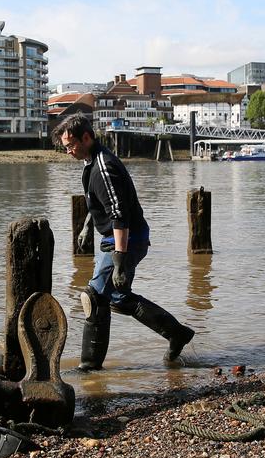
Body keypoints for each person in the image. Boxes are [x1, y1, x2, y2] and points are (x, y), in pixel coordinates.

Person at [53, 113, 194, 370]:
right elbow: (98, 203)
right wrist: (87, 227)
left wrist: (119, 259)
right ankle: (177, 333)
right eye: (65, 146)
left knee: (94, 297)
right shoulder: (91, 162)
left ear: (86, 137)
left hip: (126, 239)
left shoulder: (104, 166)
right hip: (117, 238)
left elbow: (119, 213)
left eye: (71, 144)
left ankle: (89, 367)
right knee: (115, 297)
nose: (68, 151)